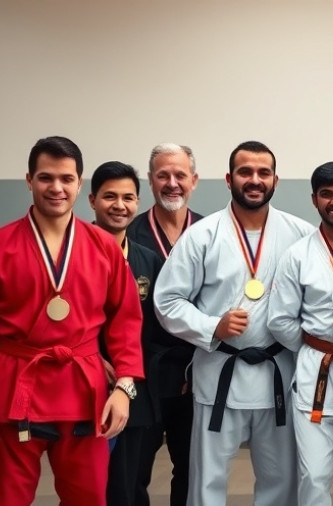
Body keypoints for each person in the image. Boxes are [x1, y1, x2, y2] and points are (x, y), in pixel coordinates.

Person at [0, 136, 143, 505]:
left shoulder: (104, 248)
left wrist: (124, 387)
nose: (56, 188)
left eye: (66, 179)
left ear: (79, 184)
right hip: (14, 388)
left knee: (87, 498)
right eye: (46, 178)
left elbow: (126, 321)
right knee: (3, 498)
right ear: (29, 180)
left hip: (84, 393)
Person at [155, 141, 313, 505]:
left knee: (281, 479)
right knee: (207, 479)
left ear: (276, 179)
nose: (254, 180)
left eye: (263, 173)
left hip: (280, 376)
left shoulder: (301, 234)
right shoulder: (202, 235)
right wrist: (212, 326)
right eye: (245, 172)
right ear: (229, 179)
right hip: (220, 375)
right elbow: (167, 301)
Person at [268, 161, 333, 506]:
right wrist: (318, 346)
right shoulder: (298, 255)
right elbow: (280, 320)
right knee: (314, 476)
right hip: (318, 377)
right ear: (314, 200)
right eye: (327, 194)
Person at [126, 143, 203, 506]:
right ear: (151, 181)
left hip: (195, 372)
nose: (172, 183)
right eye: (162, 176)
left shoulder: (211, 232)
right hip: (142, 372)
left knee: (191, 472)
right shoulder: (128, 235)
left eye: (180, 175)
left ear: (194, 181)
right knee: (132, 470)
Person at [89, 161, 165, 506]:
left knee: (130, 484)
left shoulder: (148, 261)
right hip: (83, 381)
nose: (120, 205)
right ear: (91, 200)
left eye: (128, 197)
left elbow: (156, 327)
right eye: (109, 196)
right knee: (88, 483)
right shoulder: (74, 254)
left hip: (133, 389)